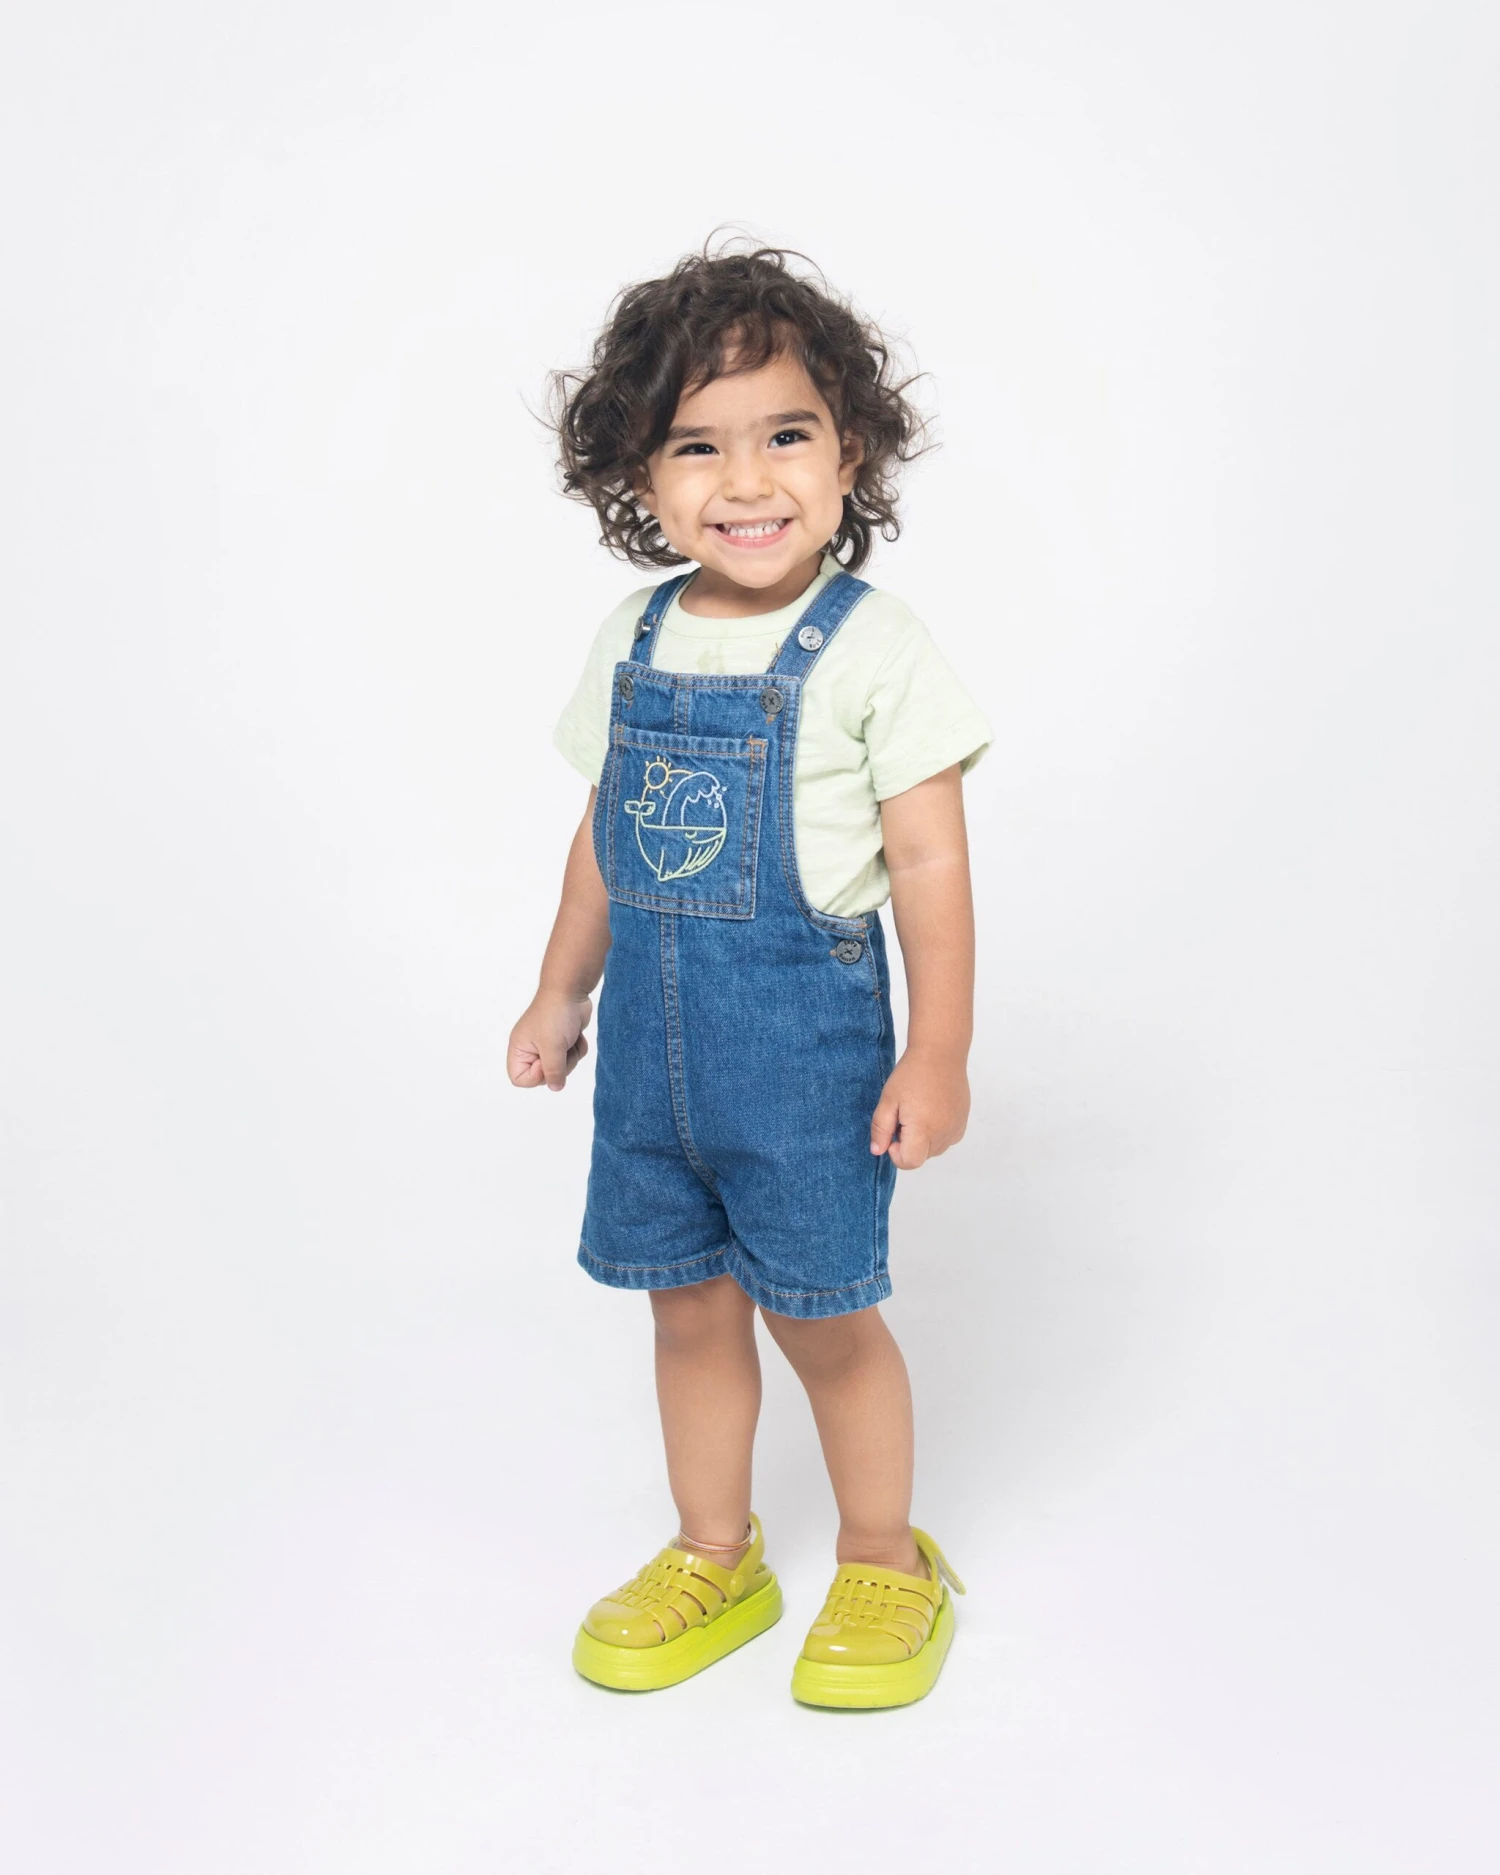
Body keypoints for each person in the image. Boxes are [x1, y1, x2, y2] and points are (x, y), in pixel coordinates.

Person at [507, 241, 991, 1708]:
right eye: (697, 446)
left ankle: (885, 1558)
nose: (747, 479)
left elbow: (931, 866)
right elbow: (608, 834)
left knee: (823, 1317)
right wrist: (560, 990)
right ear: (639, 479)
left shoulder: (874, 649)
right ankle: (716, 1551)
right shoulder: (640, 632)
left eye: (787, 433)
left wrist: (939, 1052)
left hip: (803, 1065)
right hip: (652, 1075)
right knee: (687, 1306)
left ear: (851, 453)